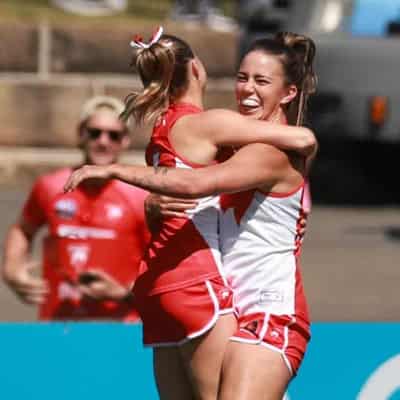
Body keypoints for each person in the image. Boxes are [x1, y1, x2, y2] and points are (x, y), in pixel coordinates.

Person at [65, 28, 317, 400]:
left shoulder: (269, 153)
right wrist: (153, 204)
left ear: (289, 92)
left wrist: (116, 171)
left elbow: (197, 184)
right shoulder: (229, 142)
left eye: (262, 81)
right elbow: (189, 191)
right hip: (225, 305)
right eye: (242, 77)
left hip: (267, 309)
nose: (247, 89)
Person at [1, 96, 150, 321]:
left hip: (122, 328)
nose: (103, 141)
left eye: (114, 135)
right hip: (59, 322)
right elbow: (23, 229)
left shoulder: (140, 195)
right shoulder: (51, 186)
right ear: (80, 135)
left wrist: (124, 292)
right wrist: (12, 269)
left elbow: (163, 263)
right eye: (94, 133)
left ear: (126, 141)